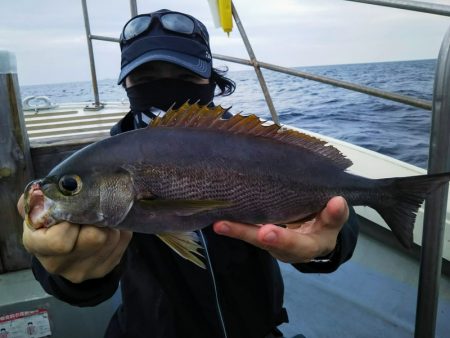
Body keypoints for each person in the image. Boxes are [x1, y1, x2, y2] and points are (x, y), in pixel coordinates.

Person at [18, 9, 359, 338]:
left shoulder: (253, 147)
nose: (165, 90)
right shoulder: (98, 167)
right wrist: (67, 270)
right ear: (126, 83)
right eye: (146, 79)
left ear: (210, 80)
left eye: (184, 77)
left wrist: (329, 243)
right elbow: (67, 271)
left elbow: (334, 207)